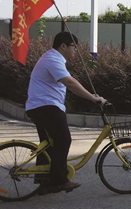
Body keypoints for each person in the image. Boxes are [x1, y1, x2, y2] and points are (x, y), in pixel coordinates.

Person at [25, 32, 107, 195]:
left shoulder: (52, 58)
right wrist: (93, 98)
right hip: (47, 107)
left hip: (40, 106)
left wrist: (91, 96)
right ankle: (59, 181)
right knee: (63, 140)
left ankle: (45, 183)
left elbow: (69, 84)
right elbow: (70, 82)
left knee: (48, 145)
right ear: (63, 46)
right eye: (73, 47)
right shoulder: (52, 59)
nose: (75, 50)